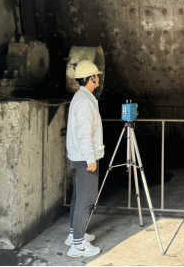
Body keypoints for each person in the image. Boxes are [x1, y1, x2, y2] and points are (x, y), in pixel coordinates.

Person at [65, 60, 104, 258]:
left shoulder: (80, 97)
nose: (98, 79)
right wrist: (90, 158)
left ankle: (74, 235)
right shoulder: (85, 102)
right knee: (86, 201)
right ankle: (78, 246)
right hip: (84, 158)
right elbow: (84, 134)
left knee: (78, 198)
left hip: (78, 157)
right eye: (96, 76)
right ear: (91, 78)